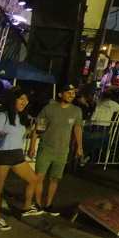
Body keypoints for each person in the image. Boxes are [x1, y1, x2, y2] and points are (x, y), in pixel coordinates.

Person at [0, 88, 43, 230]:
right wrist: (0, 134)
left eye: (26, 100)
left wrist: (33, 129)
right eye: (21, 99)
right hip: (3, 154)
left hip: (17, 155)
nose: (24, 102)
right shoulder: (3, 115)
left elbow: (20, 134)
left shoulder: (21, 117)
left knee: (34, 179)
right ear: (13, 100)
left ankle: (26, 207)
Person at [30, 85, 84, 216]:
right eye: (68, 92)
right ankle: (37, 204)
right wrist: (32, 146)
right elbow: (38, 128)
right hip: (46, 148)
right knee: (39, 177)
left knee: (55, 179)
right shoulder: (49, 109)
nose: (71, 95)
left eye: (73, 93)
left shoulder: (76, 111)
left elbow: (77, 129)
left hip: (62, 151)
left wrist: (80, 146)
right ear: (60, 94)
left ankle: (48, 205)